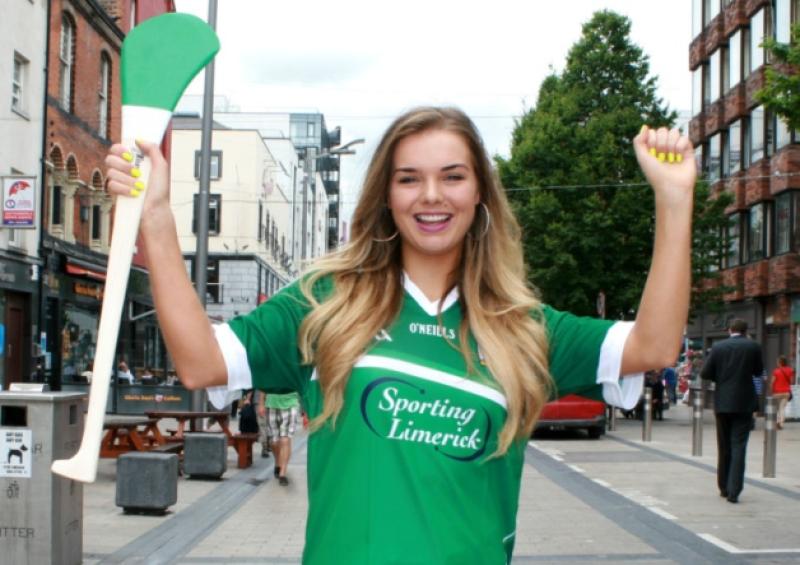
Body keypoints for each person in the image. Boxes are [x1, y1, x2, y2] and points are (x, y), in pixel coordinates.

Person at [105, 107, 695, 564]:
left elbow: (655, 345)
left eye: (452, 177)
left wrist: (674, 201)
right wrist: (156, 216)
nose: (431, 196)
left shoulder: (522, 326)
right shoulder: (327, 304)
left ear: (480, 193)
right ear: (387, 197)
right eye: (409, 179)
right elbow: (200, 362)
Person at [700, 319, 763, 503]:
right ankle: (735, 490)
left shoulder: (718, 347)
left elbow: (705, 373)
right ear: (745, 331)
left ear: (729, 330)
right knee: (739, 445)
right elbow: (758, 371)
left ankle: (723, 487)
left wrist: (721, 378)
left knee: (724, 445)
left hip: (723, 402)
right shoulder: (753, 347)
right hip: (744, 402)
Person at [258, 391, 300, 486]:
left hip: (291, 403)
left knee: (285, 439)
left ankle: (282, 473)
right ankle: (278, 462)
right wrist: (261, 403)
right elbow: (264, 384)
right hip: (271, 404)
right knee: (274, 442)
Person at [771, 356, 795, 430]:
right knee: (782, 408)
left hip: (777, 393)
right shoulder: (790, 370)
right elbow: (791, 382)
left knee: (777, 408)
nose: (777, 363)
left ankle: (777, 422)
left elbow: (772, 382)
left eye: (777, 361)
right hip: (786, 393)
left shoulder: (776, 371)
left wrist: (771, 390)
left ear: (780, 362)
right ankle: (781, 424)